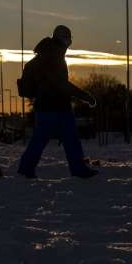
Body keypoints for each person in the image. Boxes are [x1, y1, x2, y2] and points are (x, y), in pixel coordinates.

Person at [18, 25, 99, 179]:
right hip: (56, 106)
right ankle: (78, 169)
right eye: (68, 38)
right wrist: (85, 96)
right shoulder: (53, 56)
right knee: (69, 139)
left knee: (45, 139)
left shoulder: (47, 54)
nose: (69, 42)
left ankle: (26, 169)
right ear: (63, 39)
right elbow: (61, 84)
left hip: (46, 106)